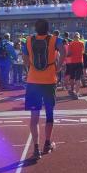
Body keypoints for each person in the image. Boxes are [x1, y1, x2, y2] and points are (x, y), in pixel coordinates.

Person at [23, 19, 67, 160]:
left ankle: (36, 148)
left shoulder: (28, 40)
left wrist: (30, 69)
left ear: (35, 29)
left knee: (34, 116)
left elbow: (25, 60)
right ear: (48, 28)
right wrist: (58, 66)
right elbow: (64, 50)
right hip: (49, 81)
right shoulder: (54, 39)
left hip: (33, 81)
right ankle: (47, 144)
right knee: (49, 113)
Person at [65, 32, 85, 98]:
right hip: (79, 62)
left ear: (73, 37)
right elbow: (83, 52)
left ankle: (72, 90)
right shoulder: (82, 43)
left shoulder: (71, 44)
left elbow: (69, 53)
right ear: (79, 37)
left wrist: (67, 55)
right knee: (78, 78)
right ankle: (77, 93)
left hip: (72, 62)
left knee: (72, 77)